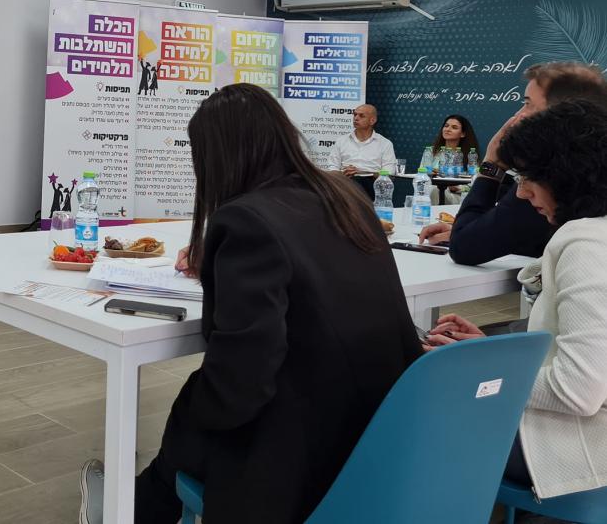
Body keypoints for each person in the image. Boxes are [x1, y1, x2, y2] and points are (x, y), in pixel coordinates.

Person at [78, 84, 421, 524]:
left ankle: (126, 509)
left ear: (216, 157)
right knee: (189, 433)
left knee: (194, 413)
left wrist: (194, 415)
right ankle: (139, 502)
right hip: (381, 429)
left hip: (300, 455)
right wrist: (220, 262)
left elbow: (240, 382)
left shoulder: (244, 219)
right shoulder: (346, 197)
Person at [423, 99, 607, 500]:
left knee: (414, 413)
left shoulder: (584, 244)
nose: (521, 193)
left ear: (564, 174)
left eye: (527, 177)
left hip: (578, 450)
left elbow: (578, 391)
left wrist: (483, 370)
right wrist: (491, 351)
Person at [419, 62, 607, 264]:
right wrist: (470, 230)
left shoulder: (553, 181)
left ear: (560, 112)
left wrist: (492, 164)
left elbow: (464, 247)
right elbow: (526, 233)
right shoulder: (591, 167)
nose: (519, 115)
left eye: (528, 103)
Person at [327, 103, 397, 185]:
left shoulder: (385, 144)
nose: (356, 118)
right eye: (355, 115)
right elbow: (332, 167)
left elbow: (389, 173)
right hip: (345, 183)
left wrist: (363, 172)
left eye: (361, 116)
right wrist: (343, 173)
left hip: (371, 184)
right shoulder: (341, 141)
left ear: (372, 121)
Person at [429, 114, 480, 203]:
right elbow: (420, 175)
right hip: (432, 191)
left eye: (454, 127)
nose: (448, 129)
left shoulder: (470, 155)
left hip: (457, 196)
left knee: (435, 190)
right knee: (433, 189)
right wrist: (429, 173)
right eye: (446, 126)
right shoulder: (431, 151)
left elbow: (476, 184)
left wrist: (458, 188)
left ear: (463, 134)